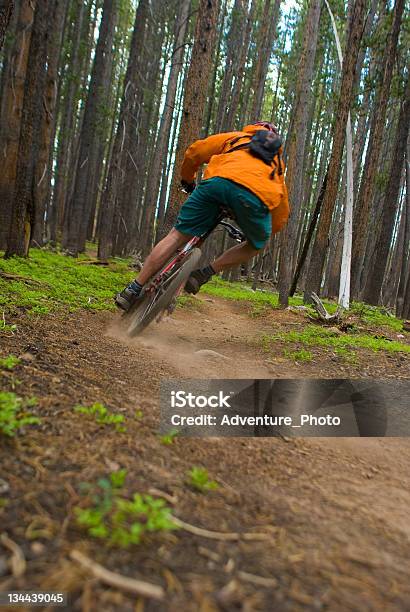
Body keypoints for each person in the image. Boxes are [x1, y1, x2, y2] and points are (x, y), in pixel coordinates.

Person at [115, 121, 290, 312]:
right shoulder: (277, 164)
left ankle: (133, 288)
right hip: (253, 200)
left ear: (254, 129)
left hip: (217, 184)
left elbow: (195, 151)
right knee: (257, 245)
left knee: (176, 236)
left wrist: (187, 180)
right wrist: (258, 232)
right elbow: (281, 213)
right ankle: (205, 273)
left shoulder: (237, 138)